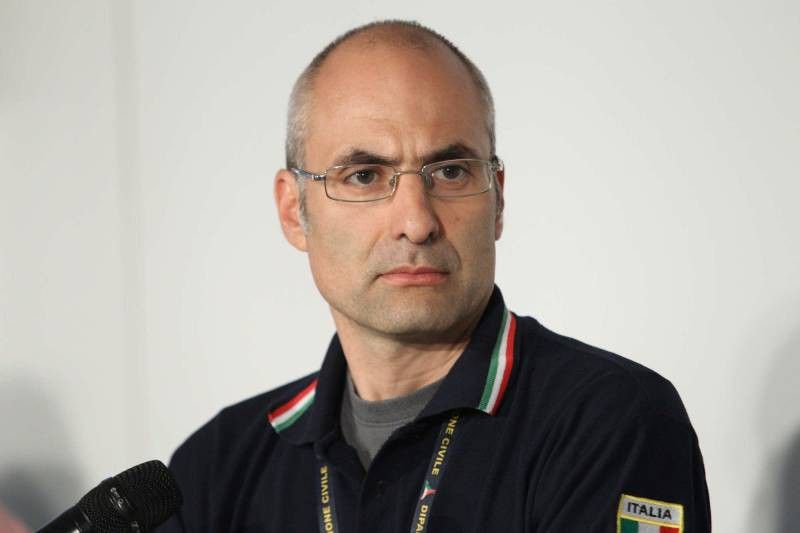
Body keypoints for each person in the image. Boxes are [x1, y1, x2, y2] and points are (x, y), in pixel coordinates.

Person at [158, 20, 711, 532]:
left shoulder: (611, 422)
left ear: (498, 201)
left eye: (450, 171)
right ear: (292, 210)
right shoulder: (217, 466)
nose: (417, 222)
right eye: (364, 176)